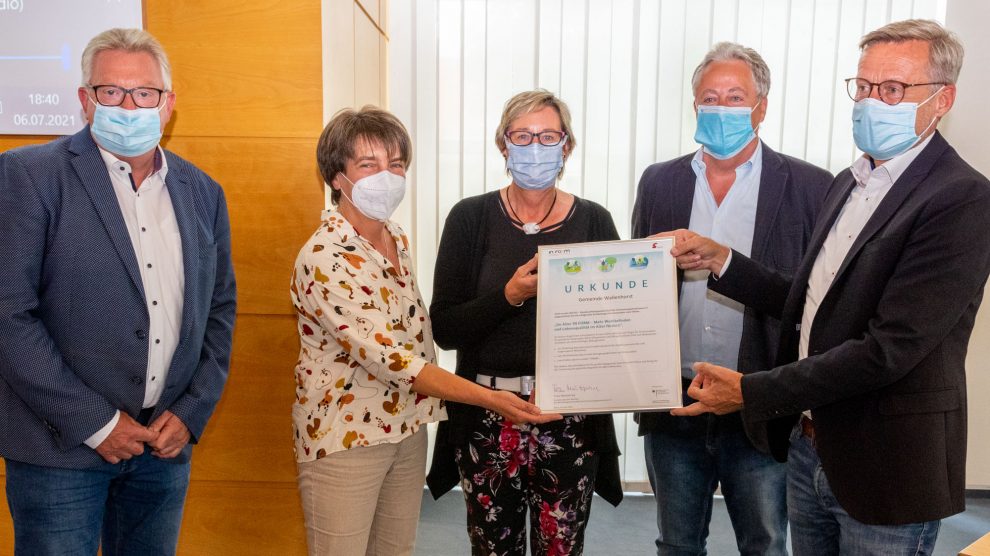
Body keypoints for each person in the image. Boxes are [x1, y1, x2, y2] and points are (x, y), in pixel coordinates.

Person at [669, 19, 990, 555]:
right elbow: (810, 303)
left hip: (884, 464)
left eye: (892, 89)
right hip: (811, 447)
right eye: (863, 87)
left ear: (942, 99)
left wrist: (751, 391)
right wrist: (726, 261)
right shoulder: (852, 181)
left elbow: (890, 349)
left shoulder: (960, 198)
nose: (870, 102)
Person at [0, 28, 236, 555]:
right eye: (111, 92)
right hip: (59, 451)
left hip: (163, 448)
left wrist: (193, 409)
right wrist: (98, 423)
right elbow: (8, 315)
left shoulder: (203, 192)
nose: (129, 106)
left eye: (144, 93)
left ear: (168, 104)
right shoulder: (28, 175)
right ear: (86, 102)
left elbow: (218, 311)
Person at [291, 105, 558, 556]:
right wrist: (491, 399)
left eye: (396, 164)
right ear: (337, 176)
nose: (388, 176)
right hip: (345, 437)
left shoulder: (394, 237)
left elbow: (417, 334)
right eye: (369, 164)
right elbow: (397, 361)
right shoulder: (325, 256)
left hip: (407, 426)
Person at [631, 42, 832, 556]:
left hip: (759, 400)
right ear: (694, 106)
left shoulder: (811, 187)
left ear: (762, 106)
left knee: (764, 543)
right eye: (709, 98)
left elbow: (810, 301)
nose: (721, 109)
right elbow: (637, 288)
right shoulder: (660, 181)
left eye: (735, 97)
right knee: (676, 544)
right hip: (676, 400)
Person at [425, 90, 623, 556]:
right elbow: (446, 328)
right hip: (487, 416)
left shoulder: (595, 221)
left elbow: (617, 328)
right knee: (492, 549)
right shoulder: (469, 219)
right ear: (503, 145)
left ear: (566, 146)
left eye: (548, 136)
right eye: (522, 136)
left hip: (570, 419)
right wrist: (509, 295)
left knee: (561, 549)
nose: (535, 147)